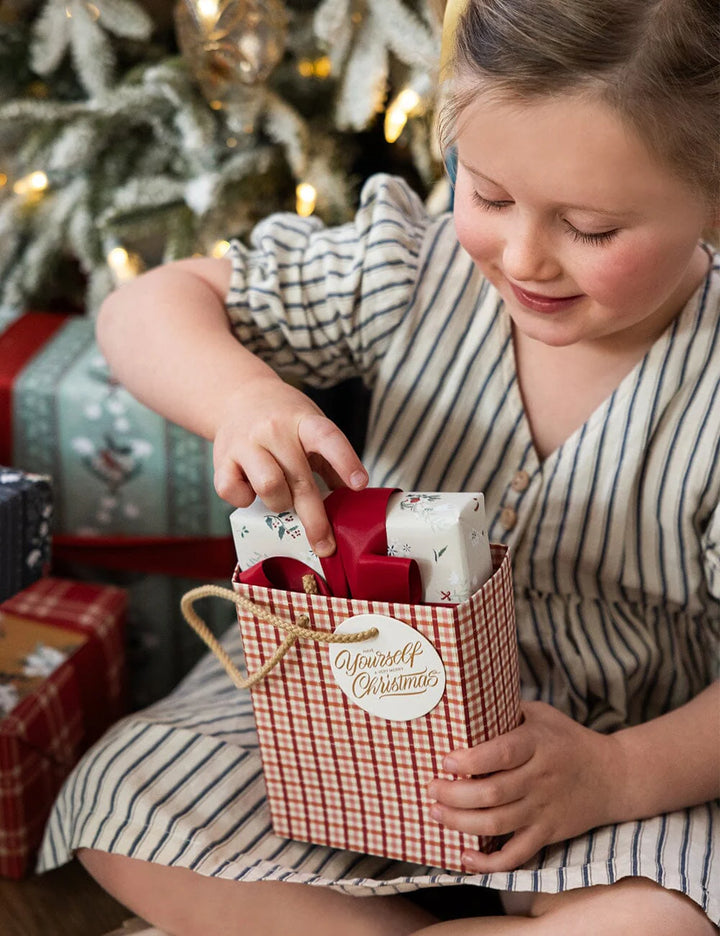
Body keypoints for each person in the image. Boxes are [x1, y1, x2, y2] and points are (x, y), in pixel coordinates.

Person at [38, 0, 720, 933]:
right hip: (340, 699)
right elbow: (150, 305)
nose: (524, 257)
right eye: (487, 195)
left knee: (662, 917)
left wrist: (619, 776)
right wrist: (243, 398)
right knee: (124, 803)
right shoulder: (405, 265)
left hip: (605, 751)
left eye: (592, 230)